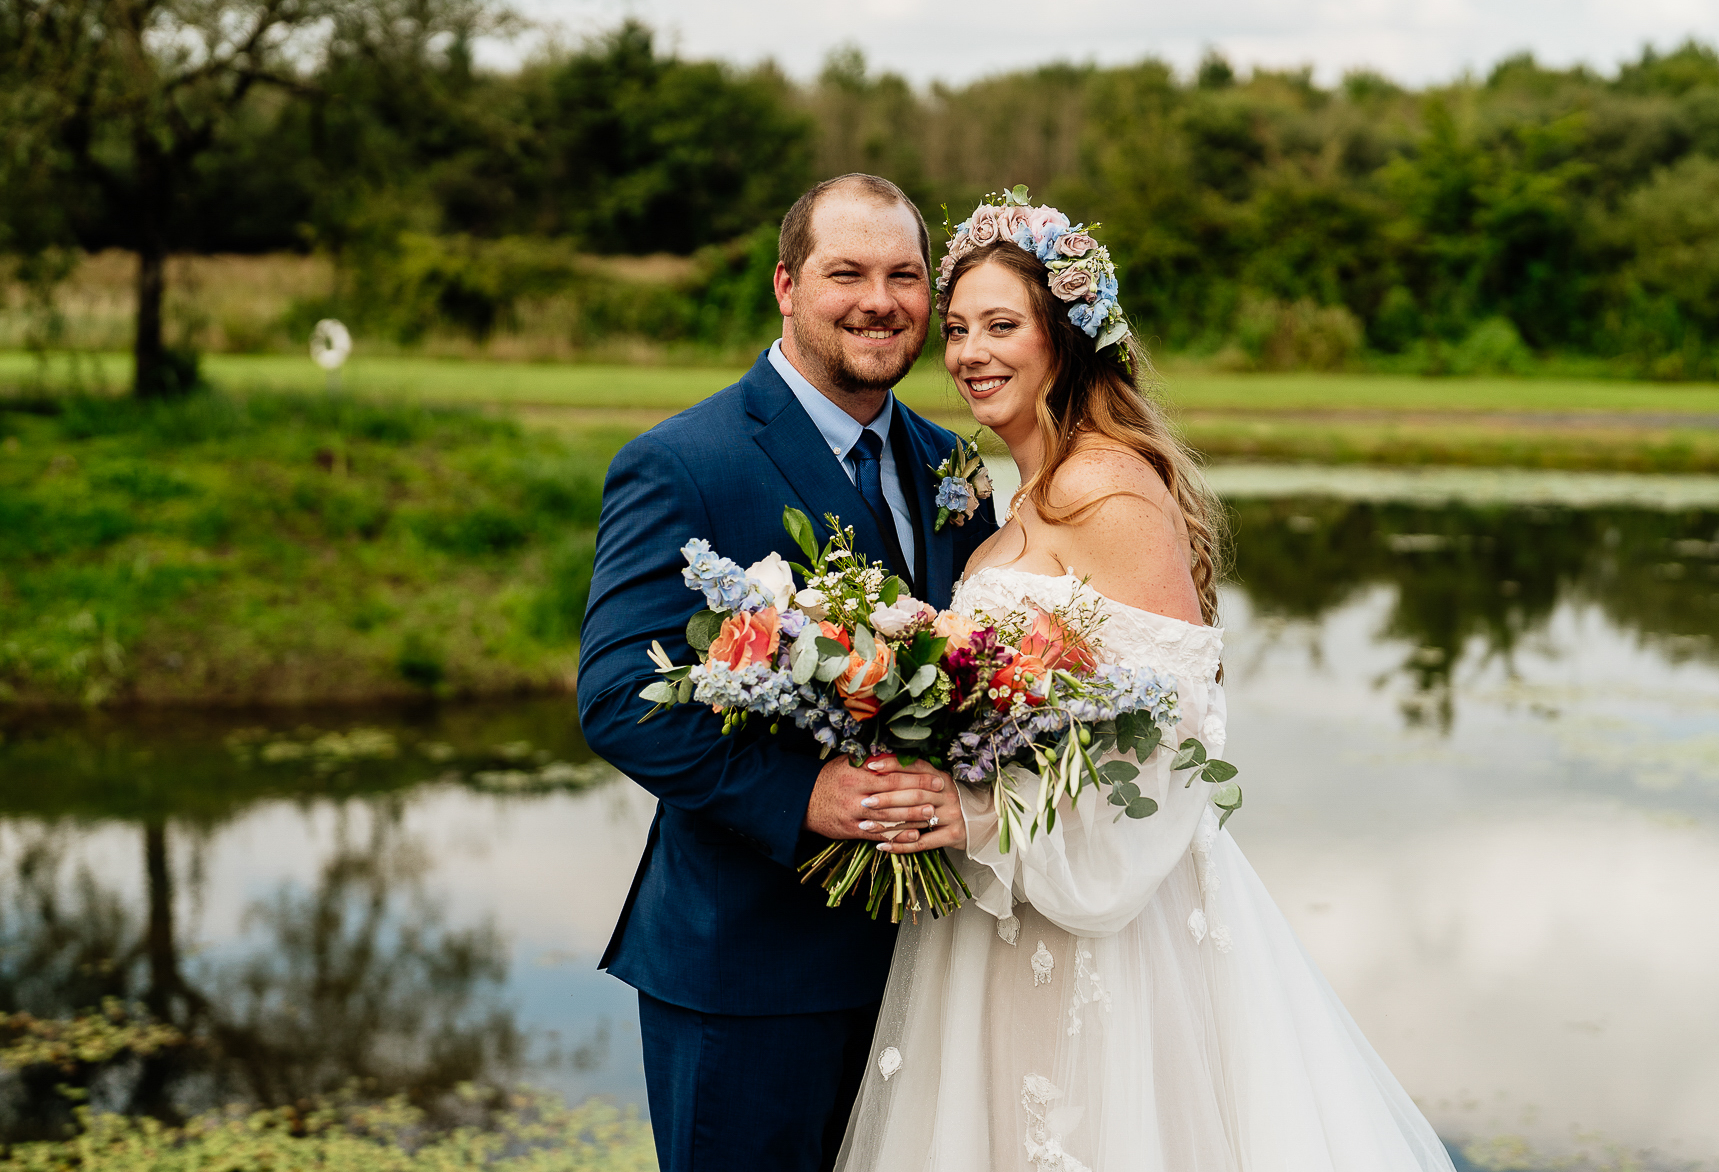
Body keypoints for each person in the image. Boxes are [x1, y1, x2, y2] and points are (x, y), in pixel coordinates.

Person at [834, 197, 1458, 1171]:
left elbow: (1177, 733)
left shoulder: (1109, 487)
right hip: (994, 926)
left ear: (1066, 337)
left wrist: (982, 814)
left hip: (1111, 932)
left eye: (1002, 325)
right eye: (957, 328)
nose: (968, 353)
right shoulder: (1012, 504)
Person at [577, 174, 1000, 1172]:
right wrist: (806, 791)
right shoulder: (683, 461)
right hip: (746, 971)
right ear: (785, 284)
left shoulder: (955, 471)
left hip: (927, 964)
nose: (879, 299)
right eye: (845, 270)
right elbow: (619, 696)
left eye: (903, 274)